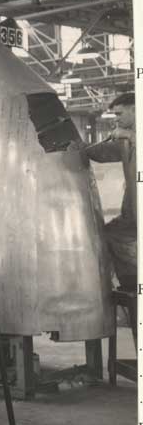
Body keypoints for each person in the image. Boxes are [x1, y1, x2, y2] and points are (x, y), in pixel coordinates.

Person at [74, 93, 136, 291]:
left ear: (136, 109)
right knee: (111, 234)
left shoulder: (131, 136)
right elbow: (104, 153)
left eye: (119, 114)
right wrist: (79, 148)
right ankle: (131, 286)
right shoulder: (125, 139)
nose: (116, 119)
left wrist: (132, 136)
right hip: (133, 207)